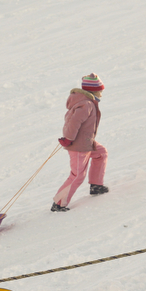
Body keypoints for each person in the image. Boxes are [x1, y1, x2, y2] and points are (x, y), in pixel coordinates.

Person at [51, 73, 109, 212]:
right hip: (78, 146)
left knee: (101, 154)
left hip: (87, 142)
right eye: (100, 90)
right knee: (77, 175)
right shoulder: (86, 104)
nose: (101, 92)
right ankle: (59, 203)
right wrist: (68, 138)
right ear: (93, 91)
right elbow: (74, 122)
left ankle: (96, 185)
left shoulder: (87, 102)